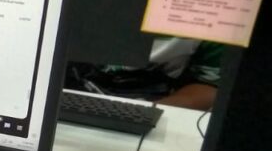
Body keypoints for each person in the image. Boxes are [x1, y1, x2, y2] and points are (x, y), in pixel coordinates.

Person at [67, 37, 223, 111]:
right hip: (70, 94)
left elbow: (208, 86)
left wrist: (147, 113)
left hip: (156, 104)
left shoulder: (211, 15)